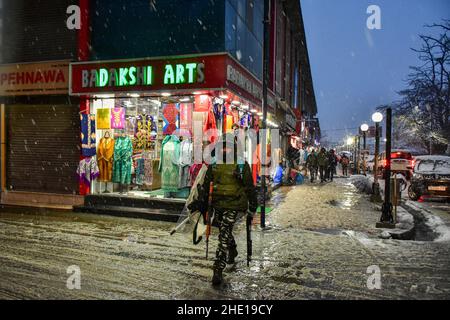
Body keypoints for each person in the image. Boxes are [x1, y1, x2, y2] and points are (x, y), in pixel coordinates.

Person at [191, 133, 257, 286]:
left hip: (233, 204)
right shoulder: (215, 163)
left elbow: (249, 187)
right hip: (218, 204)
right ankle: (232, 250)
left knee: (223, 234)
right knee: (223, 229)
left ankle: (218, 269)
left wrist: (253, 206)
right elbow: (206, 185)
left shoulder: (239, 164)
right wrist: (202, 202)